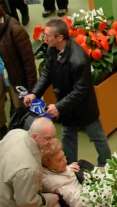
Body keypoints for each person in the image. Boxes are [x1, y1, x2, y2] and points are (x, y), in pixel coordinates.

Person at [25, 18, 112, 166]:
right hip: (66, 107)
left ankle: (107, 165)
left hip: (84, 107)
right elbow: (47, 73)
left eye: (47, 35)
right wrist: (34, 94)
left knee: (97, 136)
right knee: (68, 137)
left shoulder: (79, 59)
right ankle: (70, 167)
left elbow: (80, 90)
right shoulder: (52, 50)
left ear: (60, 38)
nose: (44, 38)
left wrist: (58, 107)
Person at [0, 0, 37, 140]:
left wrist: (32, 88)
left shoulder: (16, 30)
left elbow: (28, 60)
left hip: (14, 74)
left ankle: (20, 133)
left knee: (19, 107)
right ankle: (2, 128)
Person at [40, 139, 87, 207]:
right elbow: (81, 204)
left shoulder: (55, 168)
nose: (65, 161)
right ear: (47, 164)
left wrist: (67, 168)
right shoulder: (57, 185)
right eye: (59, 160)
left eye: (64, 156)